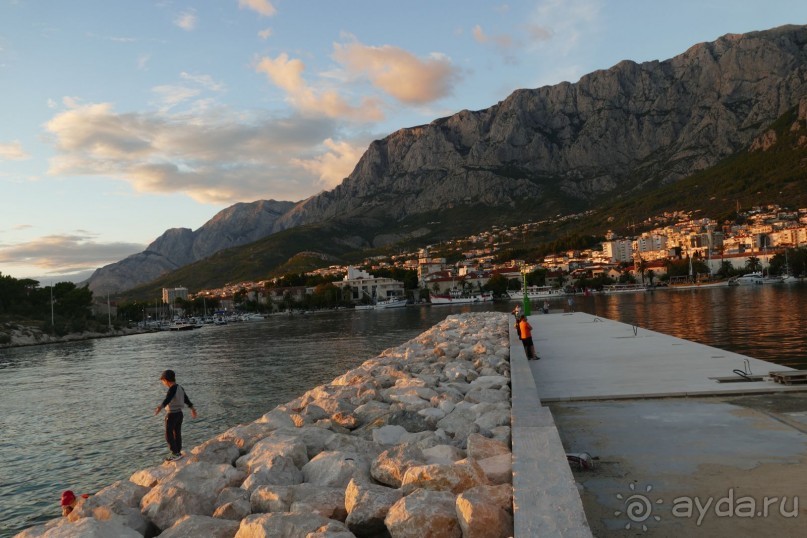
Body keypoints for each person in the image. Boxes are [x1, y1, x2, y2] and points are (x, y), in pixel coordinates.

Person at [154, 369, 197, 461]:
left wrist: (160, 407)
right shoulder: (180, 388)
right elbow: (186, 399)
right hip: (179, 414)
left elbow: (168, 399)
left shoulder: (172, 388)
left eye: (162, 381)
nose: (163, 383)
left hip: (172, 415)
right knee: (177, 433)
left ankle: (174, 453)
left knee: (168, 434)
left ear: (165, 380)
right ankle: (178, 451)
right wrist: (192, 408)